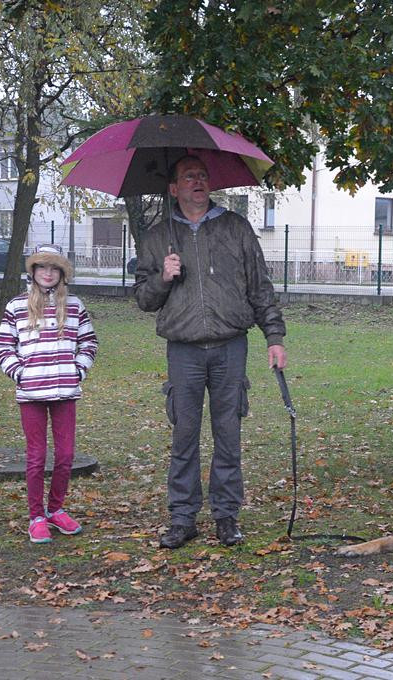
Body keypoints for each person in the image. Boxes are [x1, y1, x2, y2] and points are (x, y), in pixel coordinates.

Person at [134, 155, 287, 549]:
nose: (198, 182)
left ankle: (226, 516)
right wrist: (163, 279)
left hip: (230, 347)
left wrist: (274, 336)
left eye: (202, 176)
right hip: (183, 351)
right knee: (184, 436)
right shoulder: (156, 237)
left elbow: (260, 285)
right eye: (188, 177)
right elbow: (143, 299)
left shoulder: (235, 228)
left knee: (228, 435)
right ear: (174, 188)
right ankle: (183, 518)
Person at [0, 244, 98, 544]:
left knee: (65, 456)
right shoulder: (17, 306)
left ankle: (56, 509)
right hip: (32, 393)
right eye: (42, 267)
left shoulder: (75, 306)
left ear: (62, 274)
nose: (48, 273)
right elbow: (3, 347)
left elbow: (89, 343)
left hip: (65, 391)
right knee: (36, 457)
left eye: (54, 268)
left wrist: (78, 369)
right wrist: (20, 373)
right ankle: (36, 516)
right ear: (34, 272)